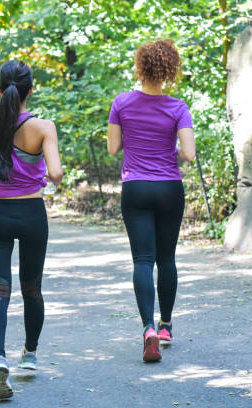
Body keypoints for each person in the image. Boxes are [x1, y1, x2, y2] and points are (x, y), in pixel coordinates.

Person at [0, 60, 63, 399]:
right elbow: (55, 173)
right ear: (31, 90)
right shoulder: (43, 127)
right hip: (31, 213)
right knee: (32, 289)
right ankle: (30, 355)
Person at [107, 39, 196, 362]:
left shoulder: (121, 103)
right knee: (166, 259)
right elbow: (188, 153)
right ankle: (166, 325)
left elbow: (113, 149)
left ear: (140, 66)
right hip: (169, 188)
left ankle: (147, 327)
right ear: (169, 69)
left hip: (136, 188)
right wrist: (166, 150)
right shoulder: (178, 107)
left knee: (142, 261)